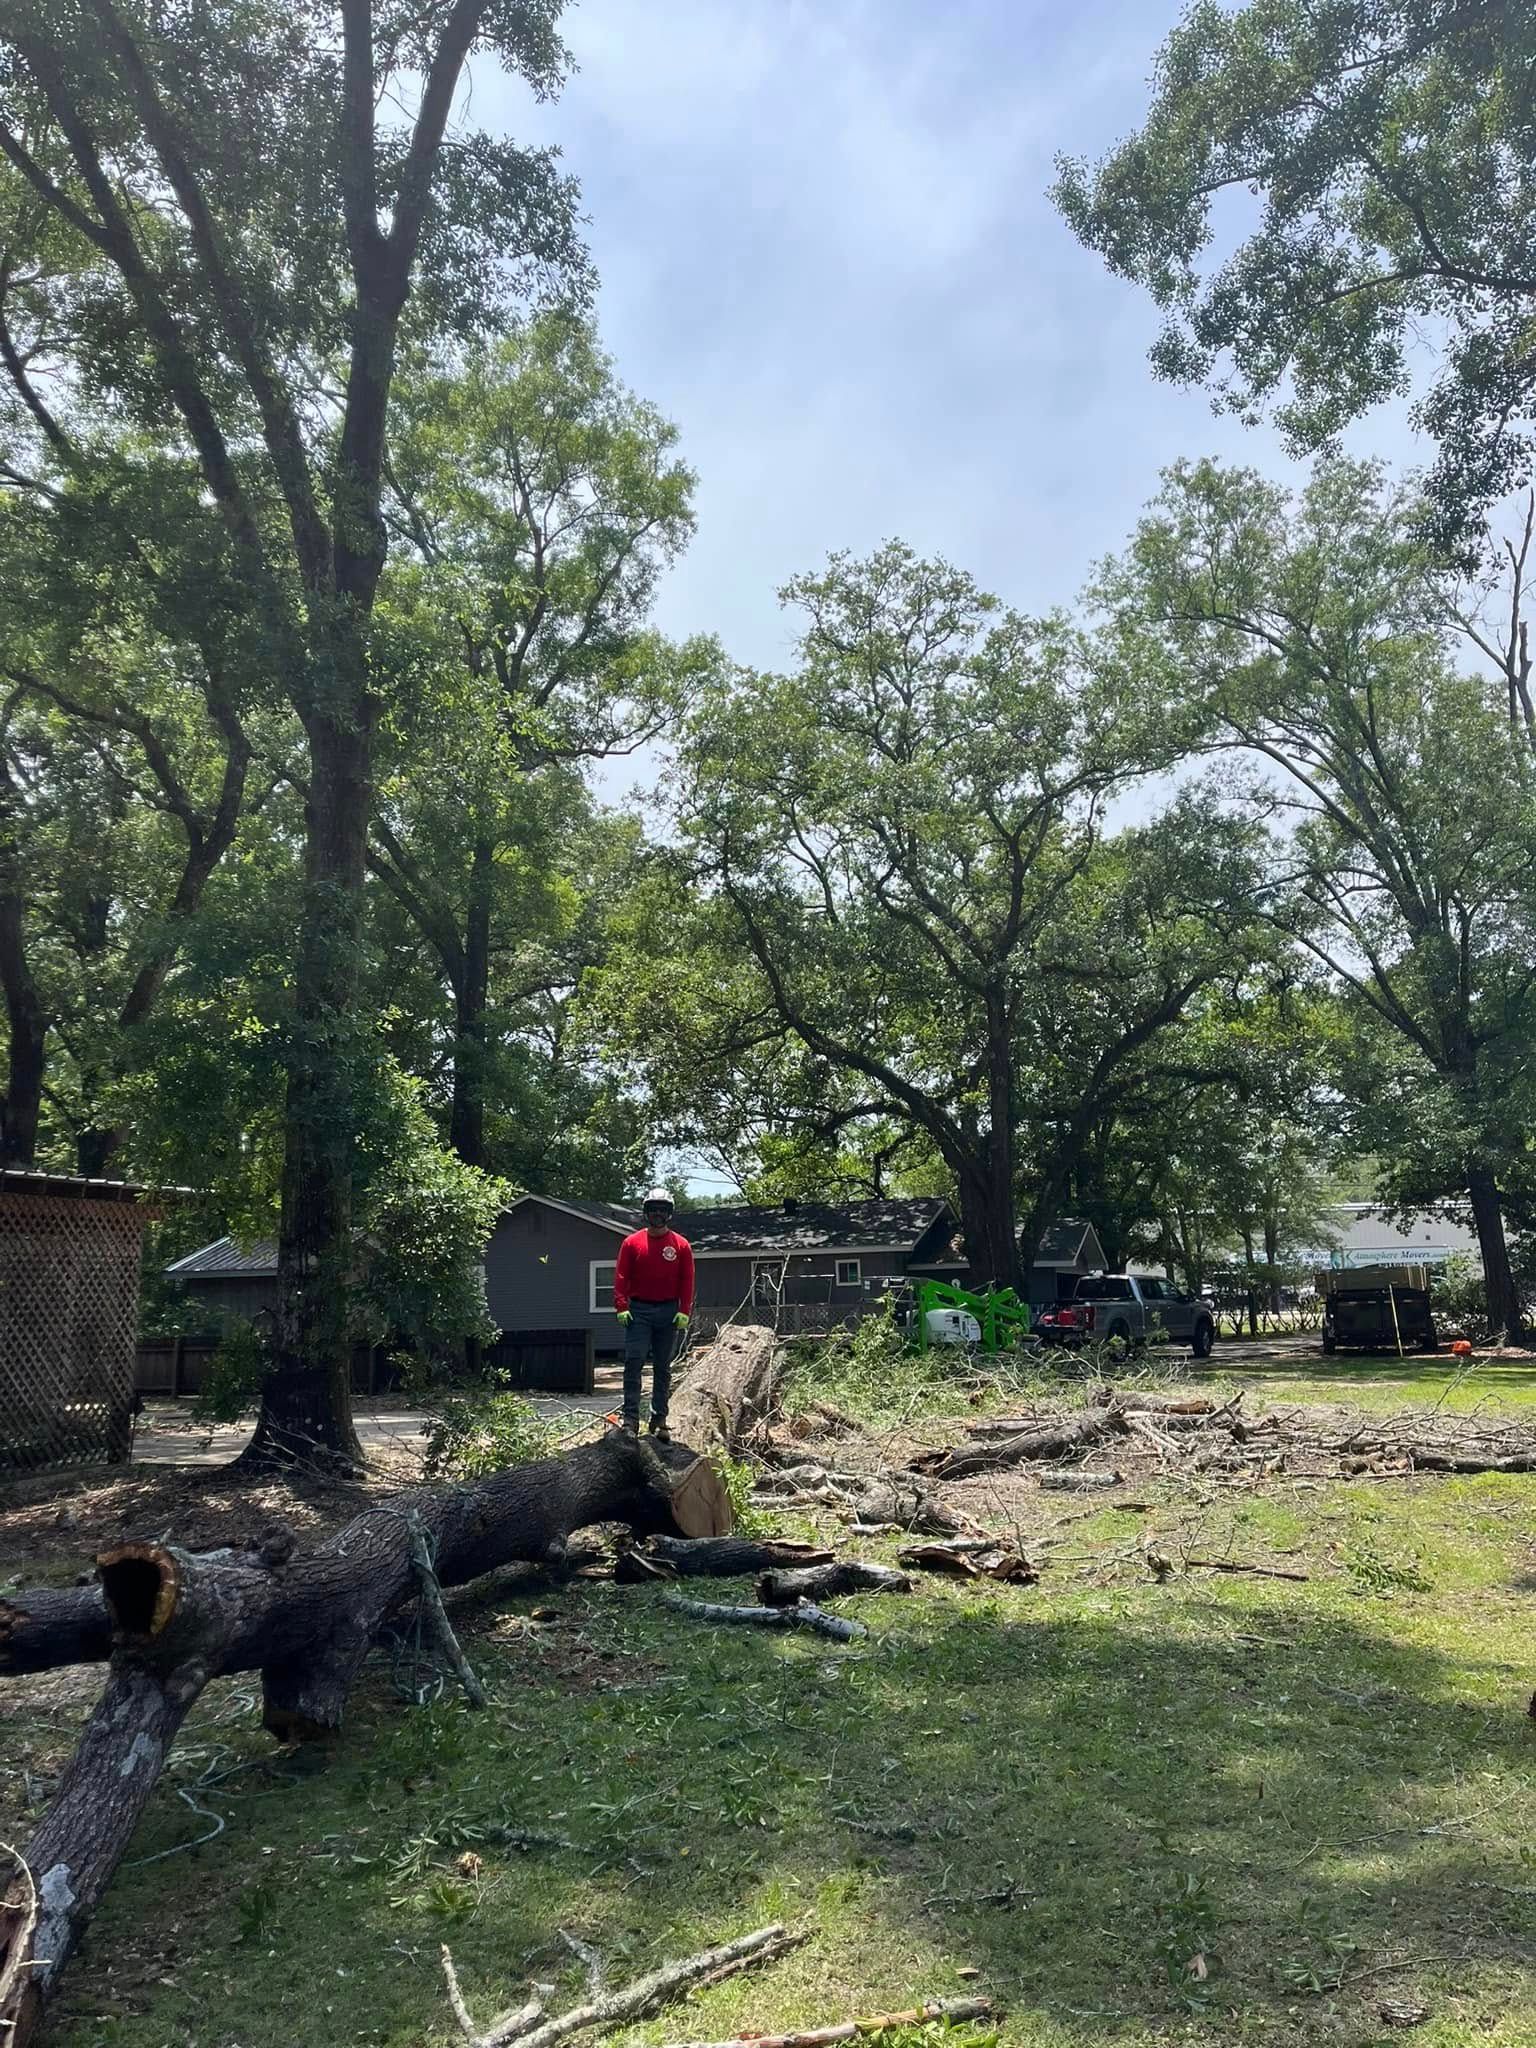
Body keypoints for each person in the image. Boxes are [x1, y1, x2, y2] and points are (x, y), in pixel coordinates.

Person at [613, 1187, 694, 1438]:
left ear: (669, 1213)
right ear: (646, 1213)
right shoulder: (631, 1243)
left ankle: (659, 1419)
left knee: (663, 1366)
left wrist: (684, 1310)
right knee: (633, 1362)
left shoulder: (681, 1245)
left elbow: (687, 1280)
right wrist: (621, 1305)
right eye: (653, 1210)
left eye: (662, 1210)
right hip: (638, 1311)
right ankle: (630, 1420)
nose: (657, 1214)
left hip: (668, 1311)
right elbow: (621, 1276)